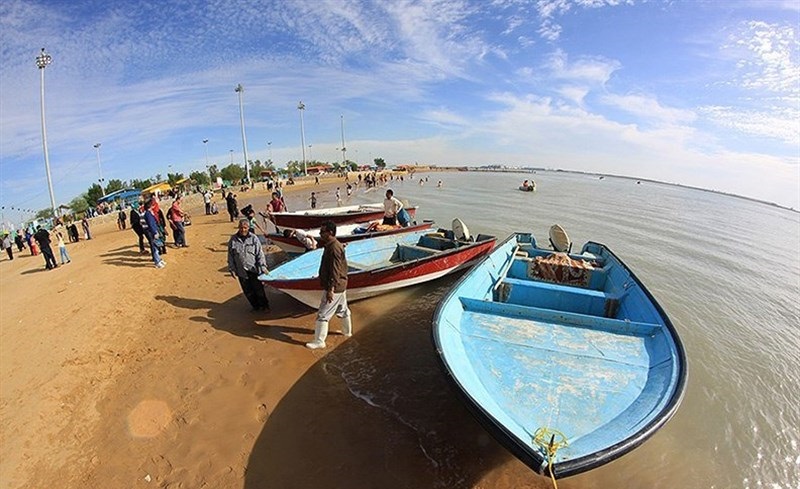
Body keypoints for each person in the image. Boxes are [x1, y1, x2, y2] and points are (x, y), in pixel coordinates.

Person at [306, 220, 352, 349]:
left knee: (323, 314)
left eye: (322, 232)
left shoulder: (334, 247)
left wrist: (331, 289)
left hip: (335, 286)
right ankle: (347, 332)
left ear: (330, 232)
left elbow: (335, 270)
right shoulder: (334, 245)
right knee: (343, 310)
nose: (320, 234)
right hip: (341, 284)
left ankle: (319, 341)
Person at [227, 219, 270, 312]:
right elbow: (230, 255)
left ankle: (265, 306)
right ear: (238, 228)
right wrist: (232, 269)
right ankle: (255, 307)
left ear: (248, 228)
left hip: (253, 269)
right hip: (241, 271)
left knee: (259, 290)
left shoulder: (254, 238)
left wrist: (263, 266)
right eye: (241, 228)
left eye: (245, 228)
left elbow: (260, 254)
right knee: (248, 291)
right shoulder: (233, 240)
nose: (243, 230)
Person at [143, 200, 166, 268]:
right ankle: (157, 262)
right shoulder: (148, 214)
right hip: (152, 232)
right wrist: (155, 232)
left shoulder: (149, 213)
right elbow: (151, 224)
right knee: (155, 247)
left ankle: (159, 259)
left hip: (153, 231)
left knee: (157, 246)